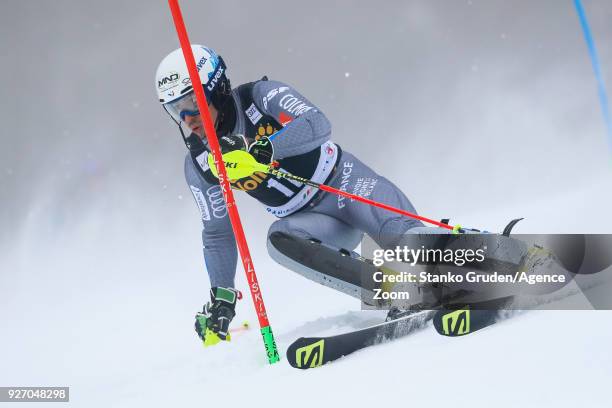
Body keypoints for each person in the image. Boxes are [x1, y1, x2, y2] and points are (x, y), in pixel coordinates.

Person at [154, 45, 525, 346]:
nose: (188, 119)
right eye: (176, 110)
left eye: (192, 103)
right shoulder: (200, 164)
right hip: (311, 220)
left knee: (406, 240)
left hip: (343, 183)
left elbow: (317, 124)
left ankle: (498, 260)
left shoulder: (259, 97)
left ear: (216, 89)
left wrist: (265, 148)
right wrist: (222, 294)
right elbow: (217, 231)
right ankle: (397, 291)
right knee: (278, 241)